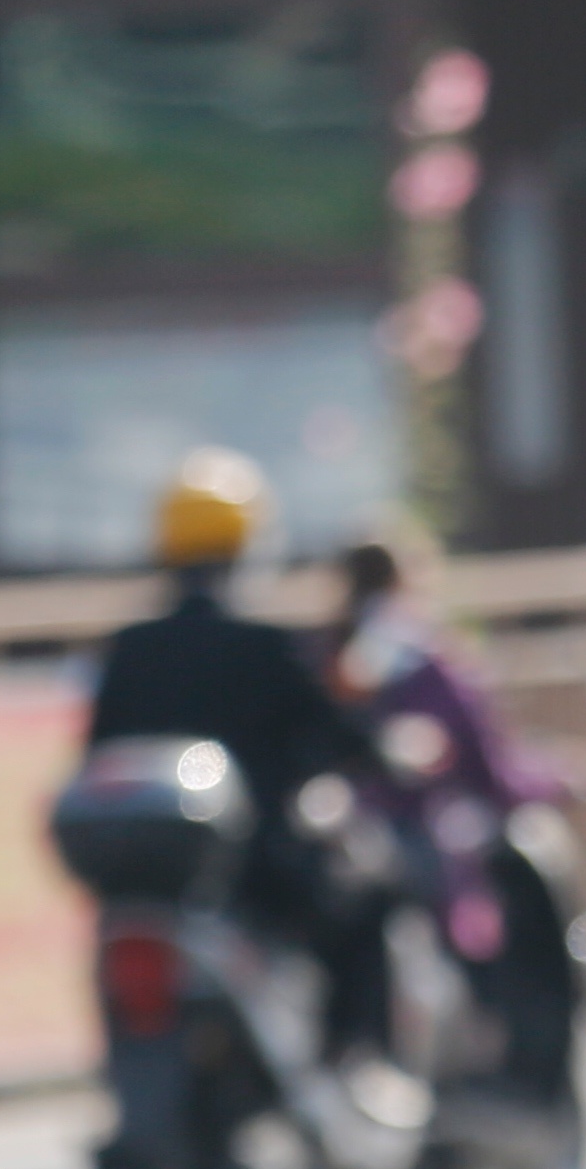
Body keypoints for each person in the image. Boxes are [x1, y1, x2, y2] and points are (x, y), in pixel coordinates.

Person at [86, 449, 394, 1055]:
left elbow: (99, 752)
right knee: (372, 894)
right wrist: (384, 748)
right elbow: (338, 737)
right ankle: (356, 1058)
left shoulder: (129, 651)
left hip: (150, 885)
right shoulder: (268, 647)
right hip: (260, 875)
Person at [327, 518, 580, 1113]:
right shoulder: (428, 660)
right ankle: (496, 1061)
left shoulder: (326, 655)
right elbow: (491, 769)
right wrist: (560, 778)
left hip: (342, 846)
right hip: (422, 847)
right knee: (492, 931)